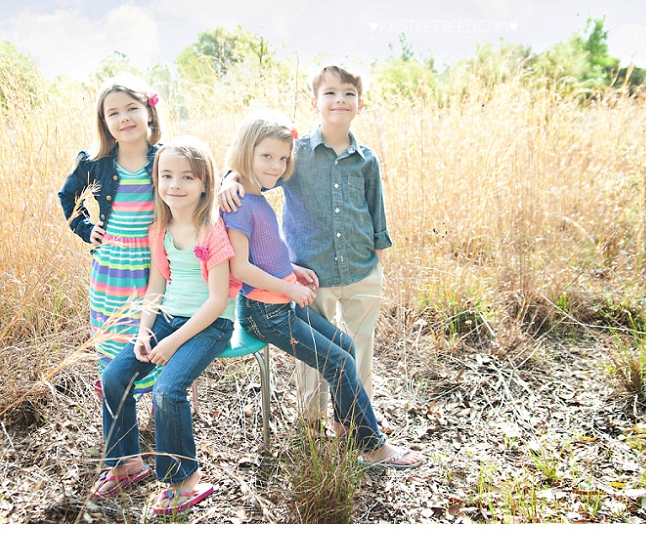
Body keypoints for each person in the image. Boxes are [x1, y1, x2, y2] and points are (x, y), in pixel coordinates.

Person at [222, 109, 424, 469]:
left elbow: (266, 254)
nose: (276, 166)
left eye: (283, 159)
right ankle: (373, 446)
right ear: (245, 152)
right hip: (263, 313)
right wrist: (293, 292)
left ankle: (348, 428)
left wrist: (293, 271)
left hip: (280, 302)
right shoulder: (238, 204)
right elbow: (241, 267)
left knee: (345, 347)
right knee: (340, 362)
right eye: (266, 156)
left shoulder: (258, 197)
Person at [220, 64, 393, 436]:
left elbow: (375, 208)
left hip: (361, 268)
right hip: (310, 273)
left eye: (349, 93)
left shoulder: (367, 159)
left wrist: (378, 254)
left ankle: (354, 421)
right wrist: (228, 179)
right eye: (330, 92)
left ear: (360, 104)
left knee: (358, 348)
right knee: (316, 356)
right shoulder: (292, 154)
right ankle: (311, 420)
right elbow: (253, 176)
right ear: (315, 102)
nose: (339, 100)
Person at [93, 136, 241, 516]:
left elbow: (218, 300)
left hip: (209, 325)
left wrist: (172, 341)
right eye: (167, 176)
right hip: (166, 319)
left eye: (187, 178)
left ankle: (184, 480)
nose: (175, 185)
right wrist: (144, 331)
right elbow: (155, 288)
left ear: (205, 183)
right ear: (157, 180)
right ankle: (127, 463)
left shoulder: (212, 230)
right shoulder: (159, 230)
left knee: (167, 390)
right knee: (114, 376)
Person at [58, 75, 163, 400]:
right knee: (114, 337)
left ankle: (161, 405)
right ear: (104, 122)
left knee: (154, 336)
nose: (124, 118)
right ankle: (119, 407)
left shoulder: (165, 158)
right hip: (111, 268)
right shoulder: (97, 163)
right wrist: (88, 229)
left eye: (132, 108)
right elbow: (68, 197)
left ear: (149, 111)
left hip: (153, 266)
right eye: (113, 113)